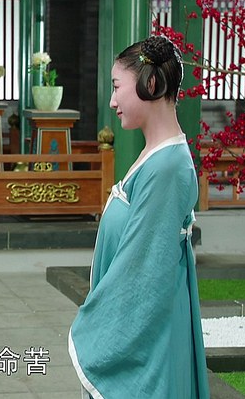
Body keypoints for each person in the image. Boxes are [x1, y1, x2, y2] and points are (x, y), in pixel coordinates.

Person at [68, 36, 210, 399]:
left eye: (117, 87)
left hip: (154, 340)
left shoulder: (166, 168)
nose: (112, 101)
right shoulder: (157, 156)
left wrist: (96, 326)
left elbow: (144, 269)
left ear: (150, 83)